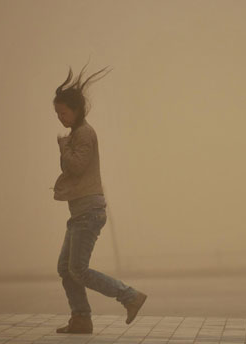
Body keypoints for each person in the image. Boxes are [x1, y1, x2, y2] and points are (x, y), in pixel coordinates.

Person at [52, 63, 147, 334]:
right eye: (57, 113)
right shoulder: (76, 134)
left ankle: (129, 296)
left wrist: (63, 147)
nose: (60, 117)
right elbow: (72, 168)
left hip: (89, 211)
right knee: (65, 267)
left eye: (63, 112)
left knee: (78, 269)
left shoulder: (83, 134)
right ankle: (81, 319)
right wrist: (65, 147)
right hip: (81, 211)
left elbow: (77, 167)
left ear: (76, 109)